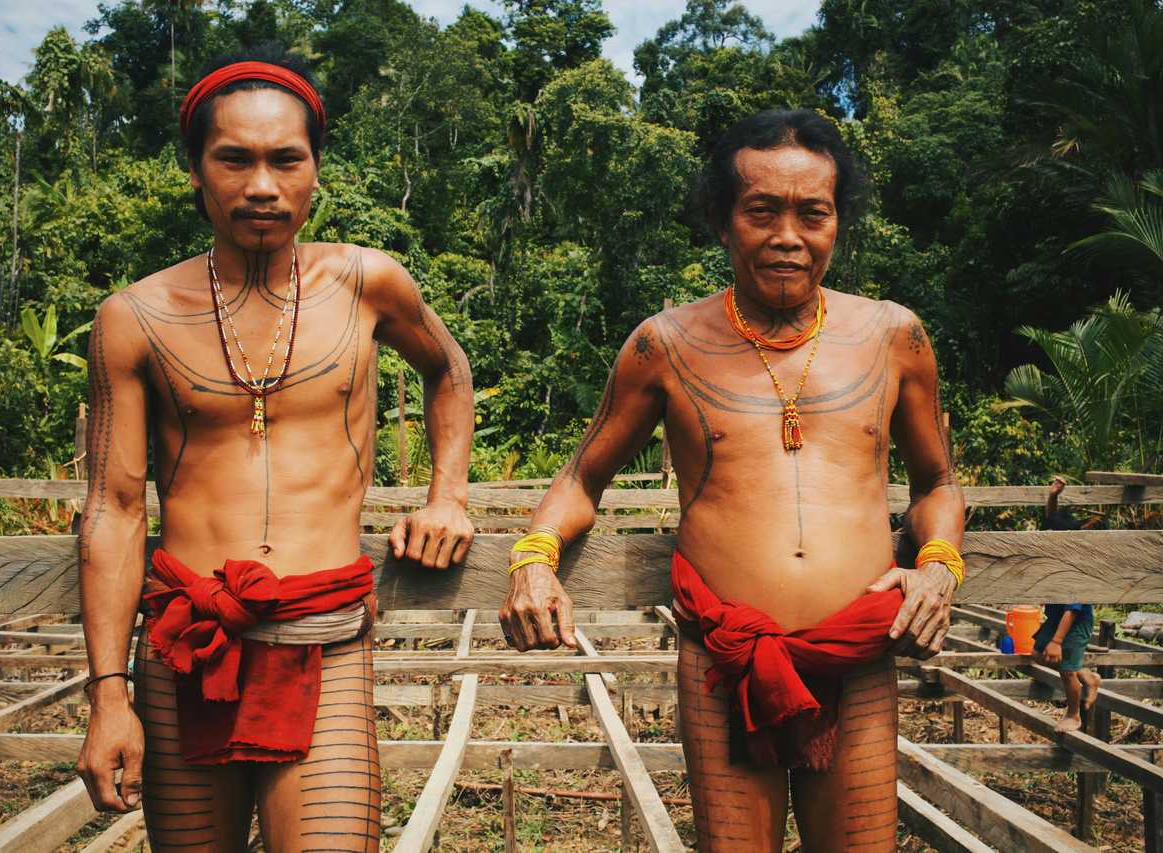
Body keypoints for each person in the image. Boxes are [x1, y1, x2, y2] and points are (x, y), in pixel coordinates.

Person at [498, 110, 965, 852]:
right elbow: (580, 481)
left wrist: (938, 566)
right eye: (762, 211)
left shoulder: (893, 337)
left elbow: (936, 481)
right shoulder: (667, 344)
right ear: (723, 222)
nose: (789, 235)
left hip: (861, 653)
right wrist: (533, 559)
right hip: (725, 657)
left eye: (812, 212)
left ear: (838, 222)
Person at [75, 45, 476, 852]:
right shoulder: (136, 316)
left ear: (315, 170)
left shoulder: (369, 284)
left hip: (325, 638)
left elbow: (449, 371)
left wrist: (448, 493)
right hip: (188, 646)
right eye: (235, 159)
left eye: (285, 160)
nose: (262, 185)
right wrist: (108, 694)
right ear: (196, 169)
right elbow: (114, 507)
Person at [1034, 476, 1101, 732]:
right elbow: (1051, 521)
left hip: (1074, 622)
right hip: (1056, 617)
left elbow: (1073, 610)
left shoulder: (1075, 565)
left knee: (1065, 670)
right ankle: (1089, 677)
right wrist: (1053, 496)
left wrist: (1058, 641)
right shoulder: (1057, 549)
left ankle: (1074, 715)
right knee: (1038, 653)